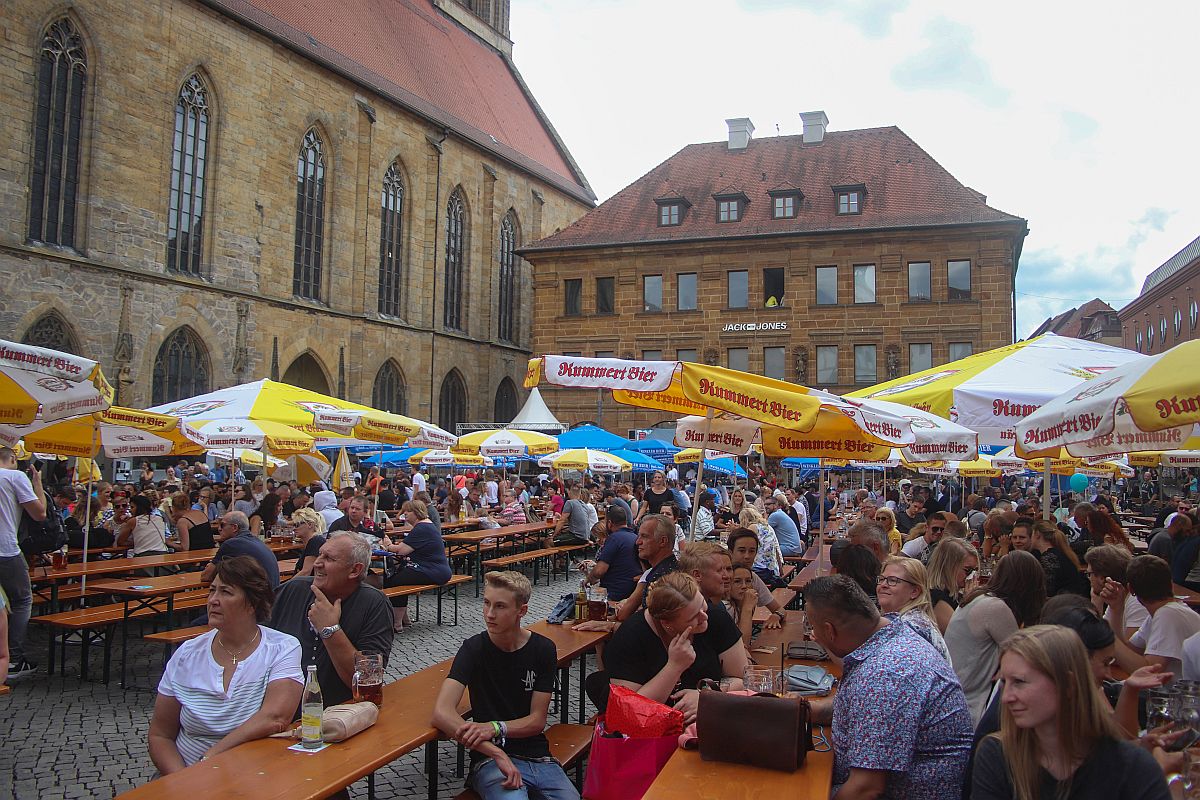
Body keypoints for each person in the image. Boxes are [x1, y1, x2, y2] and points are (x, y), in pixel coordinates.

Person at [803, 575, 973, 799]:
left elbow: (866, 789)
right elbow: (859, 710)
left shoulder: (887, 673)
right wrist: (800, 711)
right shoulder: (891, 634)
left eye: (812, 628)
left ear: (829, 631)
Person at [971, 625, 1171, 800]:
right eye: (1004, 683)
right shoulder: (998, 756)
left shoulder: (1132, 767)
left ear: (1068, 685)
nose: (1006, 698)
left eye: (1019, 682)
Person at [148, 557, 303, 773]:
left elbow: (275, 718)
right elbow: (160, 734)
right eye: (212, 591)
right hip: (181, 775)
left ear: (252, 603)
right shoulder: (188, 653)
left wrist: (211, 758)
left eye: (226, 592)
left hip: (251, 774)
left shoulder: (281, 648)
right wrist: (182, 781)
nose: (213, 600)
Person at [431, 570, 576, 799]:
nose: (489, 614)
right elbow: (441, 712)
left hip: (538, 757)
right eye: (486, 603)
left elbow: (536, 721)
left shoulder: (542, 649)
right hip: (489, 761)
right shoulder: (473, 649)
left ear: (522, 611)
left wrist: (495, 727)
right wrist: (495, 751)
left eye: (500, 606)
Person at [268, 532, 394, 707]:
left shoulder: (373, 604)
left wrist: (329, 629)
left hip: (336, 714)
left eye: (329, 558)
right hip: (275, 707)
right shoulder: (293, 590)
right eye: (320, 554)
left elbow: (366, 680)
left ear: (354, 570)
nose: (317, 563)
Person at [604, 572, 747, 724]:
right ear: (667, 623)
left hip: (714, 720)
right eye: (693, 617)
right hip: (654, 733)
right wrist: (674, 666)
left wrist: (706, 695)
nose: (704, 617)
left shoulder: (716, 618)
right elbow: (629, 710)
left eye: (702, 606)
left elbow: (744, 679)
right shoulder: (631, 636)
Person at [945, 550, 1046, 722]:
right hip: (971, 706)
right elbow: (1026, 656)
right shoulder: (995, 608)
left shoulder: (980, 598)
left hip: (956, 697)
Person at [1102, 554, 1200, 679]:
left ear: (1130, 589)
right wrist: (1117, 610)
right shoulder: (1161, 613)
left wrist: (1108, 634)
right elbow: (1124, 655)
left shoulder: (1168, 615)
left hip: (1178, 697)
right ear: (1171, 584)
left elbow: (1150, 673)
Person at [0, 448, 43, 678]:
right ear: (14, 458)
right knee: (22, 600)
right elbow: (39, 514)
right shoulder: (15, 476)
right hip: (6, 551)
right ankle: (14, 659)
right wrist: (37, 483)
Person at [381, 499, 452, 631]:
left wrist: (388, 545)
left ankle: (396, 623)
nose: (405, 514)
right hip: (437, 570)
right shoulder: (426, 526)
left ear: (416, 513)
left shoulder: (422, 528)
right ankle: (403, 619)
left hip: (434, 571)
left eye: (408, 511)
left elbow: (401, 551)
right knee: (398, 577)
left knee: (394, 581)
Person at [876, 556, 951, 664]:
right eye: (882, 579)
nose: (883, 585)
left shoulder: (911, 626)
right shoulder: (898, 621)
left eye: (893, 580)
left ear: (915, 591)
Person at [200, 512, 280, 588]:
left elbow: (206, 576)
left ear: (235, 527)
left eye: (222, 525)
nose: (219, 529)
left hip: (260, 598)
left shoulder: (231, 544)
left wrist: (213, 567)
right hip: (273, 594)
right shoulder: (257, 541)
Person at [1085, 544, 1149, 638]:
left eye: (1089, 574)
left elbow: (1127, 650)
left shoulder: (1137, 602)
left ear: (1102, 578)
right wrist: (1096, 604)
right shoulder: (1115, 597)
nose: (1089, 578)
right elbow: (1099, 636)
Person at [580, 504, 641, 602]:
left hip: (614, 593)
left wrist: (588, 579)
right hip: (632, 592)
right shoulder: (635, 537)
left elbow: (599, 571)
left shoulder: (614, 539)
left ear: (609, 523)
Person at [926, 537, 979, 633]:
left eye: (975, 571)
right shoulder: (936, 596)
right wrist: (968, 602)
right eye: (968, 570)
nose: (972, 576)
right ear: (949, 567)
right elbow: (960, 635)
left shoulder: (953, 594)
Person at [1030, 519, 1089, 598]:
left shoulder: (1049, 557)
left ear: (1037, 534)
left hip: (1062, 603)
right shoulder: (1061, 553)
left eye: (1032, 534)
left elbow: (1048, 589)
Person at [738, 506, 782, 584]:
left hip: (760, 570)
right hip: (773, 569)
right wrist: (780, 571)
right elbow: (776, 550)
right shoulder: (768, 527)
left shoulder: (752, 527)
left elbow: (743, 545)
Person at [289, 507, 324, 578]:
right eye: (293, 525)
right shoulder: (312, 542)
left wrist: (285, 587)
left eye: (297, 524)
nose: (294, 528)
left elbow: (306, 572)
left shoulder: (315, 541)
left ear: (310, 524)